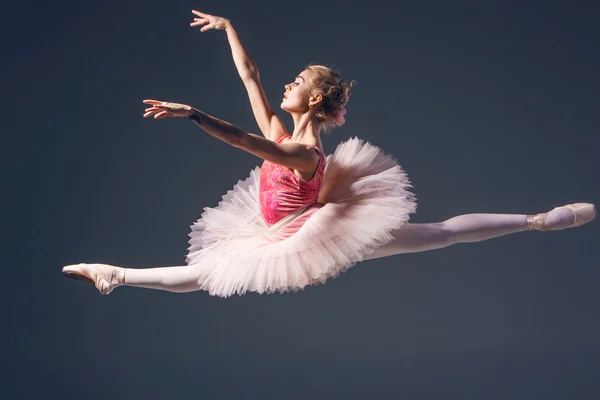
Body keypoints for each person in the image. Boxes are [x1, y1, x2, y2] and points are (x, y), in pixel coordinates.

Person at [62, 10, 596, 297]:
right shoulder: (281, 127)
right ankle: (116, 274)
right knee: (208, 272)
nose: (287, 84)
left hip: (316, 234)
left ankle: (537, 221)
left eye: (298, 80)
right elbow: (251, 78)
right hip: (281, 231)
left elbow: (243, 141)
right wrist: (229, 29)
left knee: (440, 234)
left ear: (314, 98)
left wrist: (193, 114)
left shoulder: (305, 153)